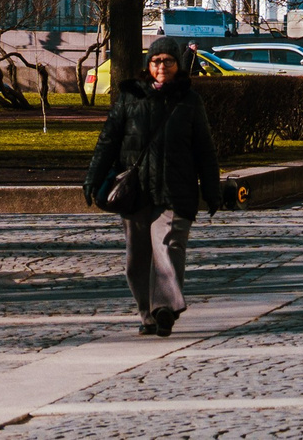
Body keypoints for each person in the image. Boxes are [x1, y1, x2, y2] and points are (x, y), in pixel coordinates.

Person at [84, 35, 234, 336]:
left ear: (178, 65)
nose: (162, 66)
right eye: (156, 61)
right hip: (135, 193)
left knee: (168, 247)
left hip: (175, 191)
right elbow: (108, 141)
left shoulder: (190, 101)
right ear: (148, 65)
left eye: (168, 61)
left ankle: (164, 308)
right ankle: (148, 315)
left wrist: (212, 190)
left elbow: (205, 149)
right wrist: (93, 178)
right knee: (136, 260)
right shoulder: (130, 98)